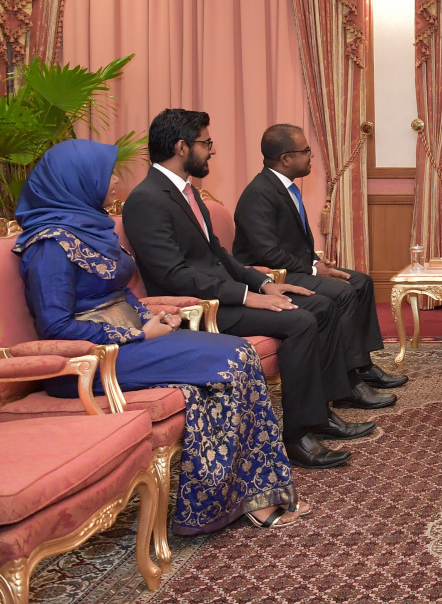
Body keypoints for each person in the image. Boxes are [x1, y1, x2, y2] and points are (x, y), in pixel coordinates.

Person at [14, 139, 304, 531]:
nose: (115, 182)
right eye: (106, 174)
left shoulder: (92, 228)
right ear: (77, 181)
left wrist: (152, 318)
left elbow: (120, 294)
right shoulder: (49, 245)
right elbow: (56, 327)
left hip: (132, 340)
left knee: (236, 356)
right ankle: (246, 499)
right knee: (232, 359)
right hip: (90, 362)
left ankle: (234, 498)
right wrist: (137, 335)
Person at [123, 108, 386, 471]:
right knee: (301, 321)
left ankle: (320, 415)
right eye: (206, 143)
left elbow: (219, 255)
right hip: (196, 308)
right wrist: (249, 296)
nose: (212, 150)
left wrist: (265, 284)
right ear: (182, 147)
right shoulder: (147, 198)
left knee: (321, 306)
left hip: (224, 294)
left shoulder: (187, 192)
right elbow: (174, 275)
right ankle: (297, 438)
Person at [232, 124, 406, 391]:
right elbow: (266, 253)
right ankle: (348, 381)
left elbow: (293, 242)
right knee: (344, 292)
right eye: (305, 151)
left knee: (361, 282)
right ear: (286, 159)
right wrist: (313, 270)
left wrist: (315, 262)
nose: (310, 156)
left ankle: (362, 365)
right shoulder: (258, 194)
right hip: (272, 276)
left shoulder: (283, 187)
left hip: (294, 268)